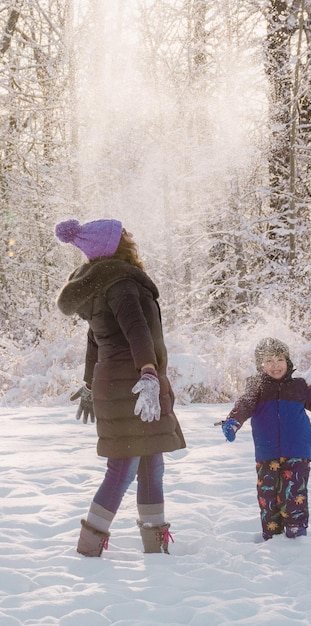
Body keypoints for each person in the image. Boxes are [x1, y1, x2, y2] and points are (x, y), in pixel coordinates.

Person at [55, 218, 186, 556]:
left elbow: (95, 340)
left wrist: (88, 384)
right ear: (113, 244)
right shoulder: (122, 283)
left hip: (116, 382)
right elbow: (136, 331)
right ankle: (89, 547)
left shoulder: (102, 283)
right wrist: (147, 372)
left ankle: (155, 545)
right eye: (123, 232)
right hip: (133, 382)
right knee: (124, 467)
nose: (130, 234)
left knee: (150, 463)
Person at [220, 337, 311, 541]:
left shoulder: (298, 387)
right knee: (268, 497)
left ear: (288, 362)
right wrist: (233, 421)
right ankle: (272, 538)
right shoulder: (256, 387)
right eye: (268, 361)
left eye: (279, 360)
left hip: (297, 450)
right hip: (267, 453)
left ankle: (297, 537)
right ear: (261, 365)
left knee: (293, 495)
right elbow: (244, 405)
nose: (275, 365)